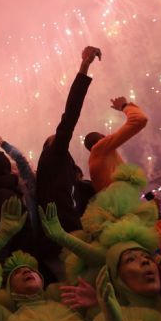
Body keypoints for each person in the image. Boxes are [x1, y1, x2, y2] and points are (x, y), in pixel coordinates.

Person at [35, 45, 101, 259]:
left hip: (72, 237)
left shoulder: (70, 180)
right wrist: (83, 67)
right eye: (51, 140)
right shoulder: (54, 158)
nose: (55, 136)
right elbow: (70, 114)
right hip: (64, 242)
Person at [84, 96, 148, 193]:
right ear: (103, 137)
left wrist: (149, 199)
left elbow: (129, 183)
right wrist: (124, 106)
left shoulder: (99, 161)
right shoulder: (99, 148)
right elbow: (139, 120)